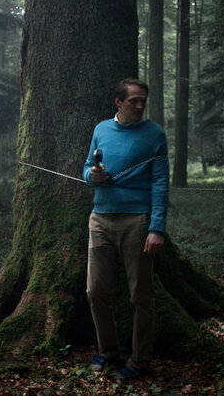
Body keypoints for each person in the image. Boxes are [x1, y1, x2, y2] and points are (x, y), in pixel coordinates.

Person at [82, 78, 169, 381]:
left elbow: (160, 182)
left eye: (143, 100)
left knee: (140, 296)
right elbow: (85, 169)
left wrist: (156, 228)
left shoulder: (155, 134)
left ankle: (140, 360)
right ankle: (108, 351)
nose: (140, 106)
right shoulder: (101, 129)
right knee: (95, 291)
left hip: (137, 222)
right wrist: (94, 175)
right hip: (100, 218)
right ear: (118, 102)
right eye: (133, 100)